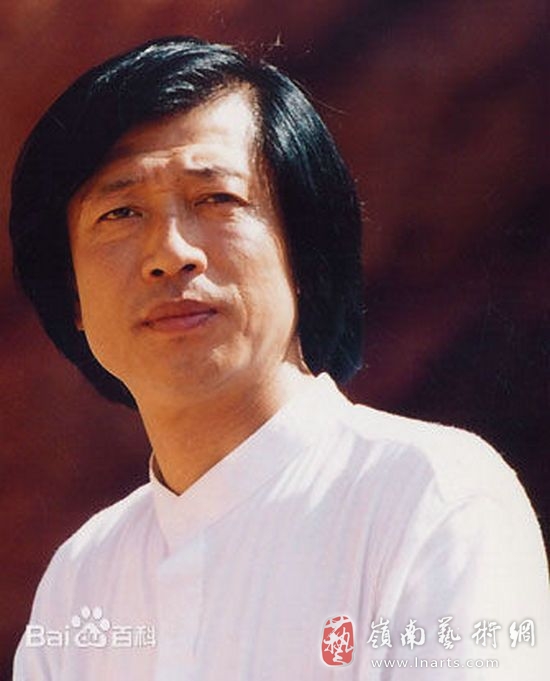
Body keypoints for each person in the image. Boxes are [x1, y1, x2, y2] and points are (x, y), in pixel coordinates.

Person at [9, 37, 547, 680]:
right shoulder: (81, 581)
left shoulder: (430, 496)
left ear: (304, 253)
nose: (170, 254)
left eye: (217, 199)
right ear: (71, 295)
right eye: (121, 211)